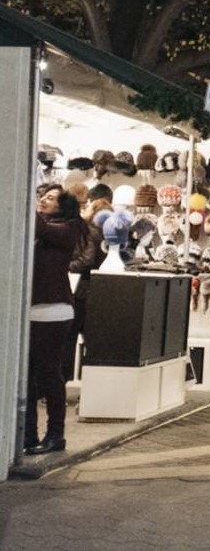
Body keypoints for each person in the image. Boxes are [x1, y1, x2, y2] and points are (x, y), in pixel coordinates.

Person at [25, 184, 85, 455]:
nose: (44, 201)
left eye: (51, 198)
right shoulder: (39, 229)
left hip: (54, 310)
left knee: (50, 374)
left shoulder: (67, 229)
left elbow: (41, 228)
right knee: (27, 376)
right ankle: (27, 434)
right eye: (43, 197)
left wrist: (26, 191)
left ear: (64, 207)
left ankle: (55, 435)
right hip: (32, 308)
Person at [64, 184, 111, 380]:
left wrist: (65, 266)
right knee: (93, 341)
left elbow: (86, 260)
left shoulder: (88, 232)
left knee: (69, 340)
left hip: (80, 290)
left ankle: (61, 384)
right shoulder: (105, 235)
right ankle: (93, 384)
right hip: (97, 291)